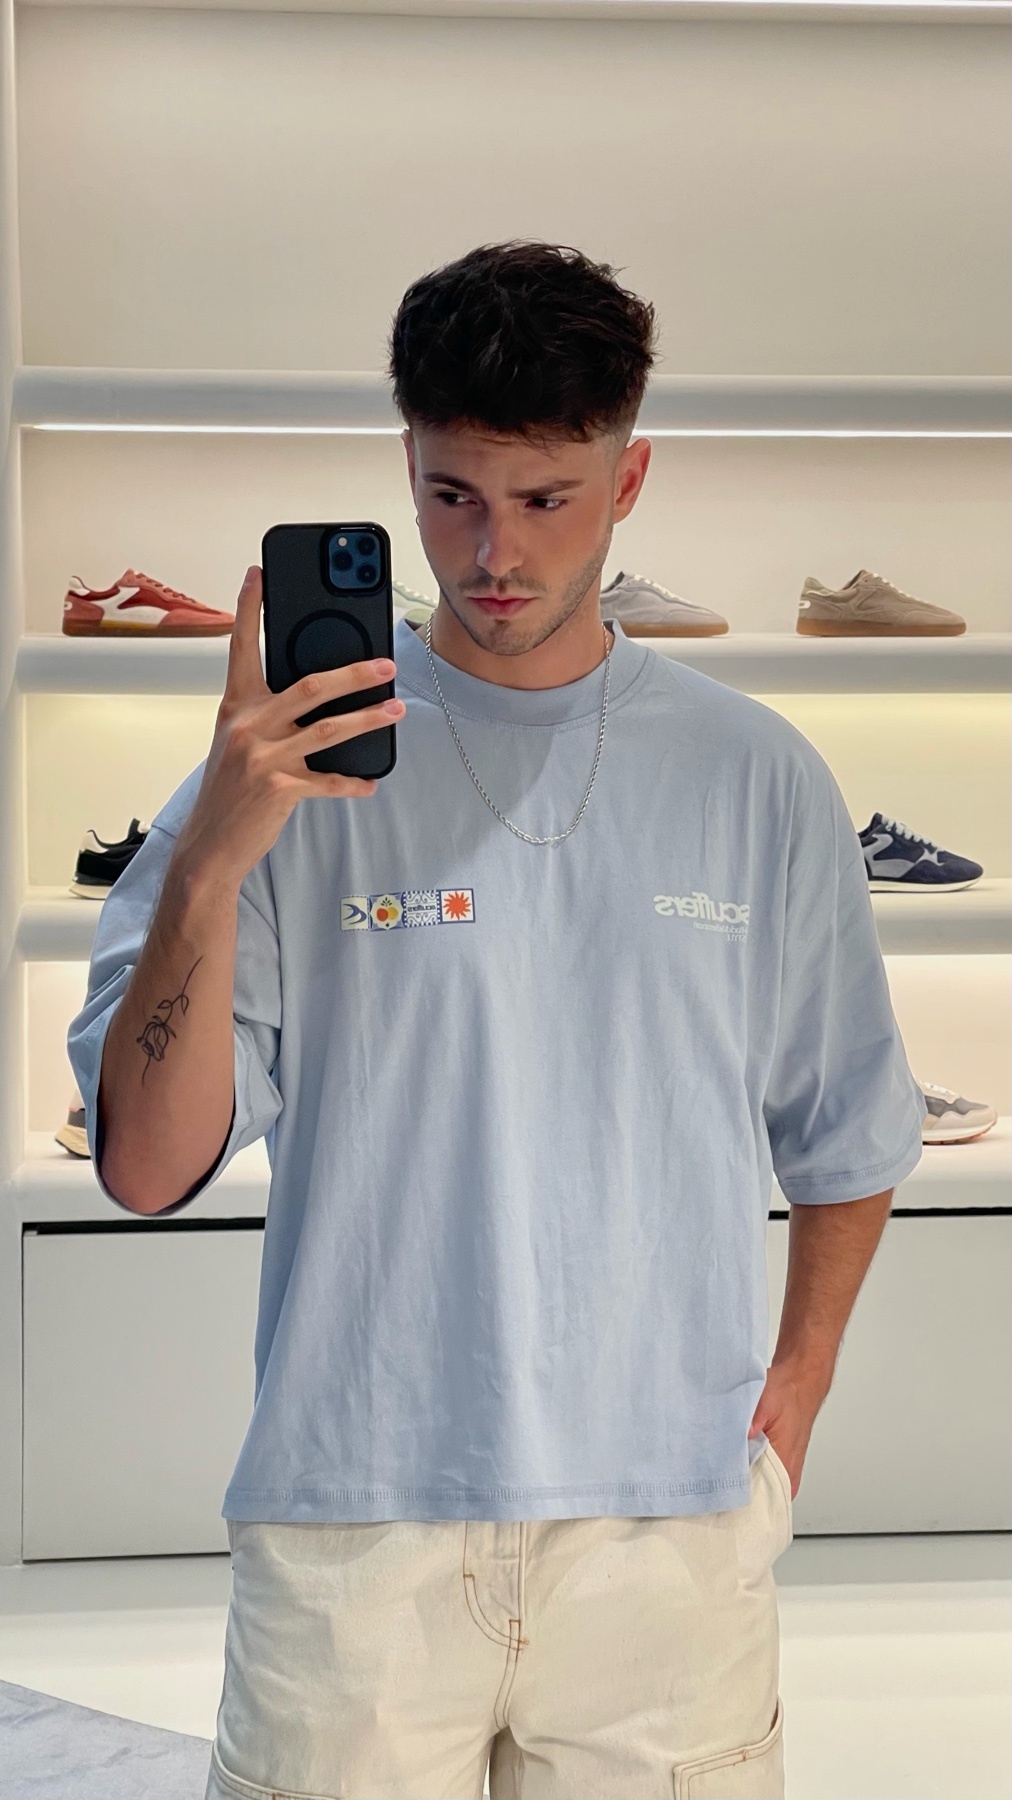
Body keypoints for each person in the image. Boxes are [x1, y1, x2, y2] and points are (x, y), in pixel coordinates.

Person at [67, 241, 927, 1800]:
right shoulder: (273, 780)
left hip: (668, 1533)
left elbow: (849, 1130)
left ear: (630, 477)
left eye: (547, 498)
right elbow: (145, 1165)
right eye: (453, 495)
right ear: (405, 467)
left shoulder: (755, 775)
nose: (495, 553)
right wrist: (210, 861)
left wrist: (791, 1402)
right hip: (353, 1533)